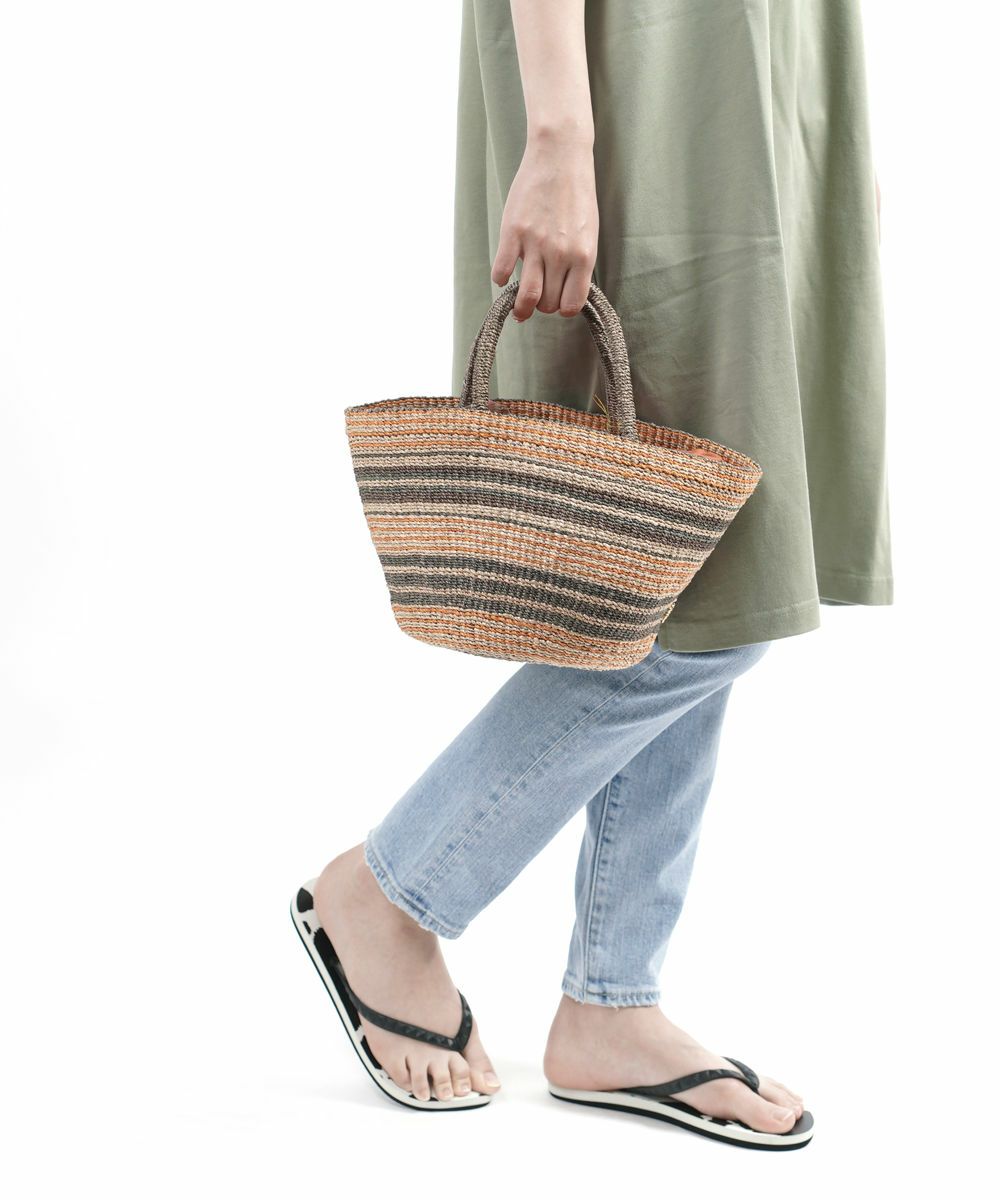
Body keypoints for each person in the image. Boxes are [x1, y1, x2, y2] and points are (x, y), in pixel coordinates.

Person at [293, 0, 891, 1150]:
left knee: (683, 558)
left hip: (762, 73)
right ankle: (387, 893)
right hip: (644, 76)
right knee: (711, 580)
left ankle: (613, 1003)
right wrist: (559, 133)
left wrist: (809, 119)